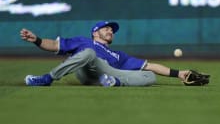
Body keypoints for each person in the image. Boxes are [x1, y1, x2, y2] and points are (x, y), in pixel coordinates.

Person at [20, 21, 191, 87]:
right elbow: (54, 45)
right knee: (88, 53)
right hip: (86, 68)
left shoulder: (118, 55)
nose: (110, 31)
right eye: (106, 28)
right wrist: (37, 40)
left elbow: (150, 65)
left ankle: (114, 82)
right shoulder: (84, 41)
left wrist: (178, 74)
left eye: (112, 30)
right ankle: (47, 79)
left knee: (149, 75)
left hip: (107, 74)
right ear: (95, 33)